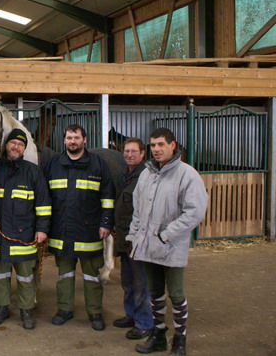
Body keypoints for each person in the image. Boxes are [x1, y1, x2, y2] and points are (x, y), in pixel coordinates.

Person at [126, 128, 207, 356]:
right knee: (155, 293)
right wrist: (133, 236)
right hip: (148, 245)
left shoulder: (187, 175)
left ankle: (180, 341)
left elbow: (195, 212)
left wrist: (167, 234)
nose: (156, 149)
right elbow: (138, 210)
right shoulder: (146, 174)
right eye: (153, 145)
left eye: (161, 144)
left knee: (176, 295)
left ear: (173, 145)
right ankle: (158, 335)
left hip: (171, 246)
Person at [0, 129, 51, 330]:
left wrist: (42, 229)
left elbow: (43, 203)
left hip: (24, 236)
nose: (16, 147)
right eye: (13, 143)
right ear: (6, 145)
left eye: (20, 145)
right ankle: (2, 307)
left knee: (26, 277)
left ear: (24, 149)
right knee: (0, 277)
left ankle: (26, 310)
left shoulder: (33, 172)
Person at [46, 124, 115, 331]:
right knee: (64, 275)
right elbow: (45, 198)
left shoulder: (98, 164)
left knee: (92, 276)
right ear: (64, 140)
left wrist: (106, 223)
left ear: (84, 140)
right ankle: (64, 310)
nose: (72, 141)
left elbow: (108, 195)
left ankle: (95, 313)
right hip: (62, 230)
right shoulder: (53, 164)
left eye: (76, 138)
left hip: (89, 231)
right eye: (69, 138)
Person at [112, 138, 153, 340]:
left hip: (138, 239)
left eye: (133, 151)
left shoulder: (146, 177)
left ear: (142, 153)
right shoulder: (126, 174)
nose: (129, 155)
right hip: (124, 238)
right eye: (126, 151)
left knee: (141, 283)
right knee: (127, 281)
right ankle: (131, 316)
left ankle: (144, 323)